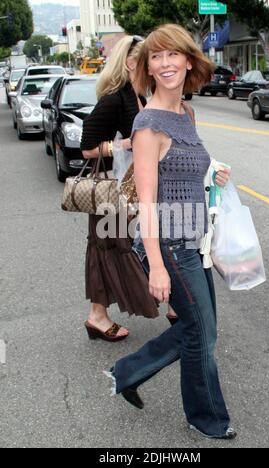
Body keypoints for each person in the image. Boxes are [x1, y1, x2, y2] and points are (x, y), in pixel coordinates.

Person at [104, 24, 237, 440]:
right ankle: (207, 418)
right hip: (170, 246)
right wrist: (157, 267)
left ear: (189, 60)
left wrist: (214, 173)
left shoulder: (187, 113)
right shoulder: (148, 125)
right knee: (201, 333)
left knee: (201, 329)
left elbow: (187, 171)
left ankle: (126, 372)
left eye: (172, 55)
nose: (165, 64)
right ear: (147, 67)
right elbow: (147, 201)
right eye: (156, 57)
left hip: (195, 243)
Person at [80, 35, 160, 342]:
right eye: (146, 59)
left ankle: (171, 303)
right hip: (112, 192)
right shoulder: (115, 97)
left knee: (126, 247)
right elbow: (87, 148)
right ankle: (97, 317)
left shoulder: (141, 93)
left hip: (134, 187)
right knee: (108, 250)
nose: (152, 65)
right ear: (128, 62)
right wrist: (124, 143)